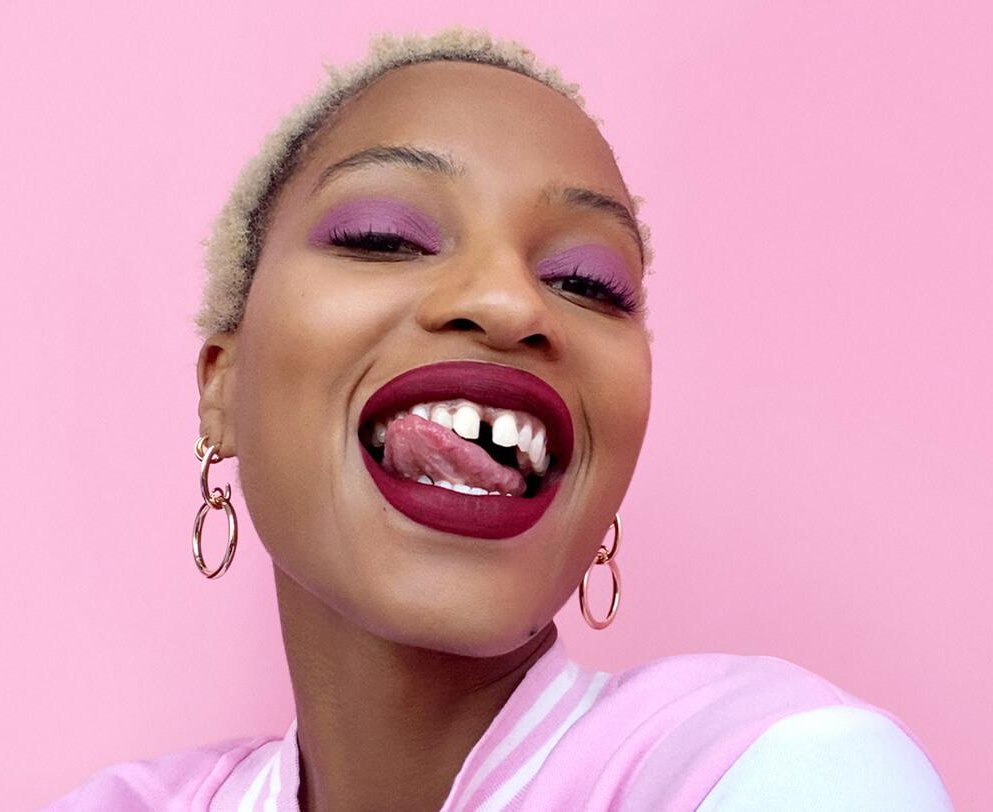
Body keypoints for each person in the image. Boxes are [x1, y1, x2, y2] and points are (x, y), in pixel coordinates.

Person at [46, 25, 953, 811]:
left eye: (587, 283)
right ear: (222, 383)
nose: (510, 303)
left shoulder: (775, 771)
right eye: (383, 236)